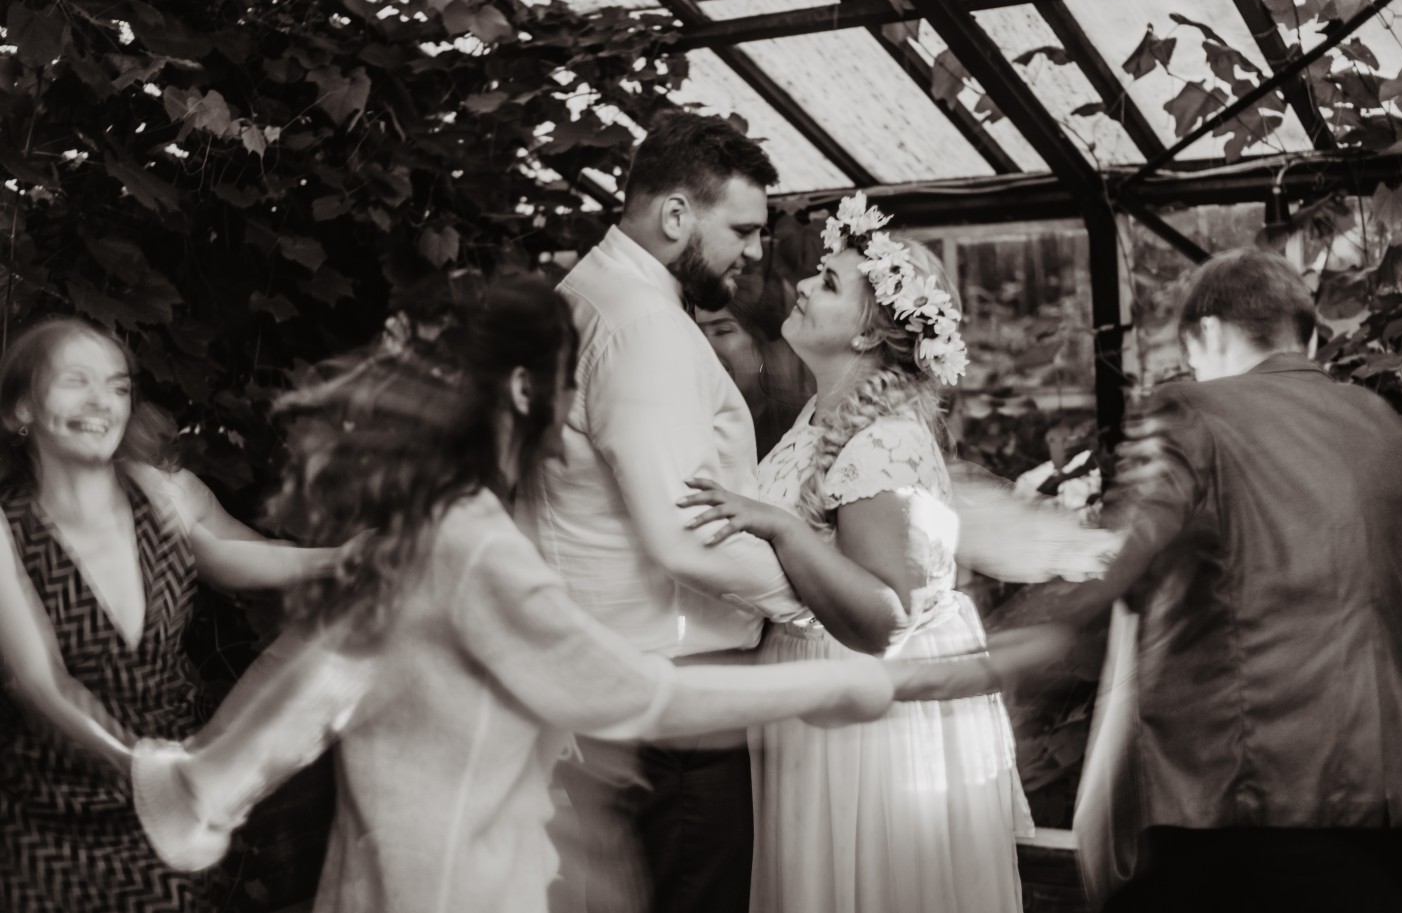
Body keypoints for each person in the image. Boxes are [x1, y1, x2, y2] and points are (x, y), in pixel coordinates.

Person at [127, 276, 1012, 913]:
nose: (577, 410)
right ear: (523, 390)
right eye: (568, 383)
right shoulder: (472, 543)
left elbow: (295, 689)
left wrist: (202, 781)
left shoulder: (418, 526)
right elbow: (645, 695)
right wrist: (865, 681)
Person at [974, 249, 1402, 912]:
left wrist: (1009, 568)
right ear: (1307, 339)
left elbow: (1111, 563)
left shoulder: (1195, 411)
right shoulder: (1388, 431)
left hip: (1245, 808)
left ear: (1209, 334)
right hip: (1393, 819)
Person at [679, 193, 1032, 912]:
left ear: (870, 332)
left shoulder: (885, 442)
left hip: (860, 719)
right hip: (811, 695)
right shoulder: (821, 415)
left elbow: (883, 619)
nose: (804, 285)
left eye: (830, 282)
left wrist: (776, 528)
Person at [516, 111, 809, 913]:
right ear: (676, 214)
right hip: (671, 705)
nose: (755, 252)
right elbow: (686, 537)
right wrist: (818, 599)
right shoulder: (643, 326)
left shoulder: (584, 296)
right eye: (742, 229)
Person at [0, 317, 338, 913]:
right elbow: (39, 682)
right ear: (21, 409)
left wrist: (345, 559)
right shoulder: (6, 527)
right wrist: (147, 773)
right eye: (76, 381)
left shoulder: (160, 491)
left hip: (174, 821)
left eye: (118, 386)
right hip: (52, 816)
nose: (103, 401)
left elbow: (229, 555)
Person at [696, 272, 813, 456]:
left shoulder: (798, 424)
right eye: (696, 332)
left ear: (760, 341)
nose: (703, 346)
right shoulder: (689, 421)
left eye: (723, 330)